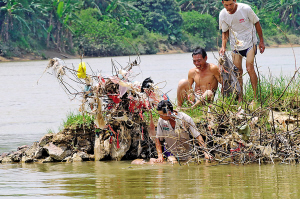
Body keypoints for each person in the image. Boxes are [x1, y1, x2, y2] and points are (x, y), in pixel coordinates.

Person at [219, 0, 265, 101]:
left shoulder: (245, 9)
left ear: (235, 1)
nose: (229, 7)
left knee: (249, 68)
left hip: (250, 42)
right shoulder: (222, 14)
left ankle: (255, 97)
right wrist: (223, 46)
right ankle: (240, 97)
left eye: (231, 4)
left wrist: (261, 41)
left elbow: (257, 23)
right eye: (226, 5)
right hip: (235, 45)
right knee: (237, 71)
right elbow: (224, 32)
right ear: (222, 3)